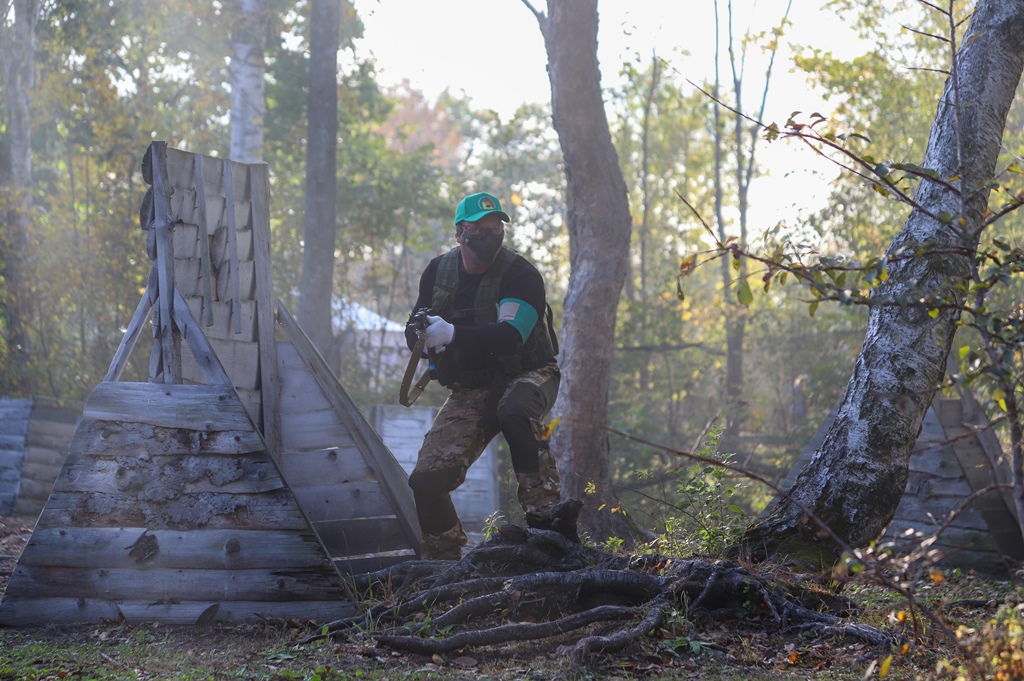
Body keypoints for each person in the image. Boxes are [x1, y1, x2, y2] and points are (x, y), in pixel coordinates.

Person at [405, 191, 562, 560]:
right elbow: (414, 327)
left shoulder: (520, 275)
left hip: (529, 372)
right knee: (426, 482)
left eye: (496, 228)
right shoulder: (438, 271)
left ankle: (550, 533)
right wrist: (424, 338)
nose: (490, 236)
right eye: (480, 229)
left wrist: (452, 334)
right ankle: (445, 561)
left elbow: (511, 336)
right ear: (460, 233)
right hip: (471, 387)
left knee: (514, 412)